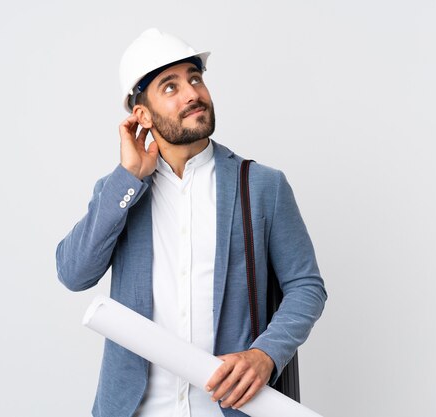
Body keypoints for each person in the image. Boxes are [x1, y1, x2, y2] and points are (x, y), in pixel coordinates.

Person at [56, 28, 327, 417]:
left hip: (234, 409)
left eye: (195, 79)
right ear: (142, 115)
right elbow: (73, 273)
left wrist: (266, 354)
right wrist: (129, 176)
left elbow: (306, 286)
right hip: (133, 409)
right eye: (170, 87)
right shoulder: (120, 192)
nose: (192, 94)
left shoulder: (262, 185)